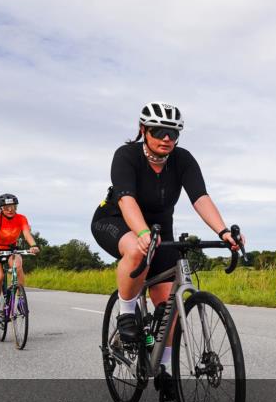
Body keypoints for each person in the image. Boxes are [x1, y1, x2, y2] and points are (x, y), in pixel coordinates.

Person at [91, 103, 242, 350]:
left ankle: (164, 372)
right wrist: (141, 233)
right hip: (115, 220)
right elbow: (126, 199)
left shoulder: (183, 160)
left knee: (168, 311)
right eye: (158, 131)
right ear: (143, 129)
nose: (166, 138)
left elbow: (200, 198)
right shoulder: (126, 155)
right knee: (137, 250)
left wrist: (223, 231)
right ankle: (127, 313)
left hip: (160, 228)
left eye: (173, 133)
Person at [0, 194, 39, 328]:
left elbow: (26, 233)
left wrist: (33, 245)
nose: (10, 209)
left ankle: (20, 299)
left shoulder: (21, 218)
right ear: (1, 209)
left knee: (18, 266)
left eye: (13, 206)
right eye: (6, 207)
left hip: (11, 249)